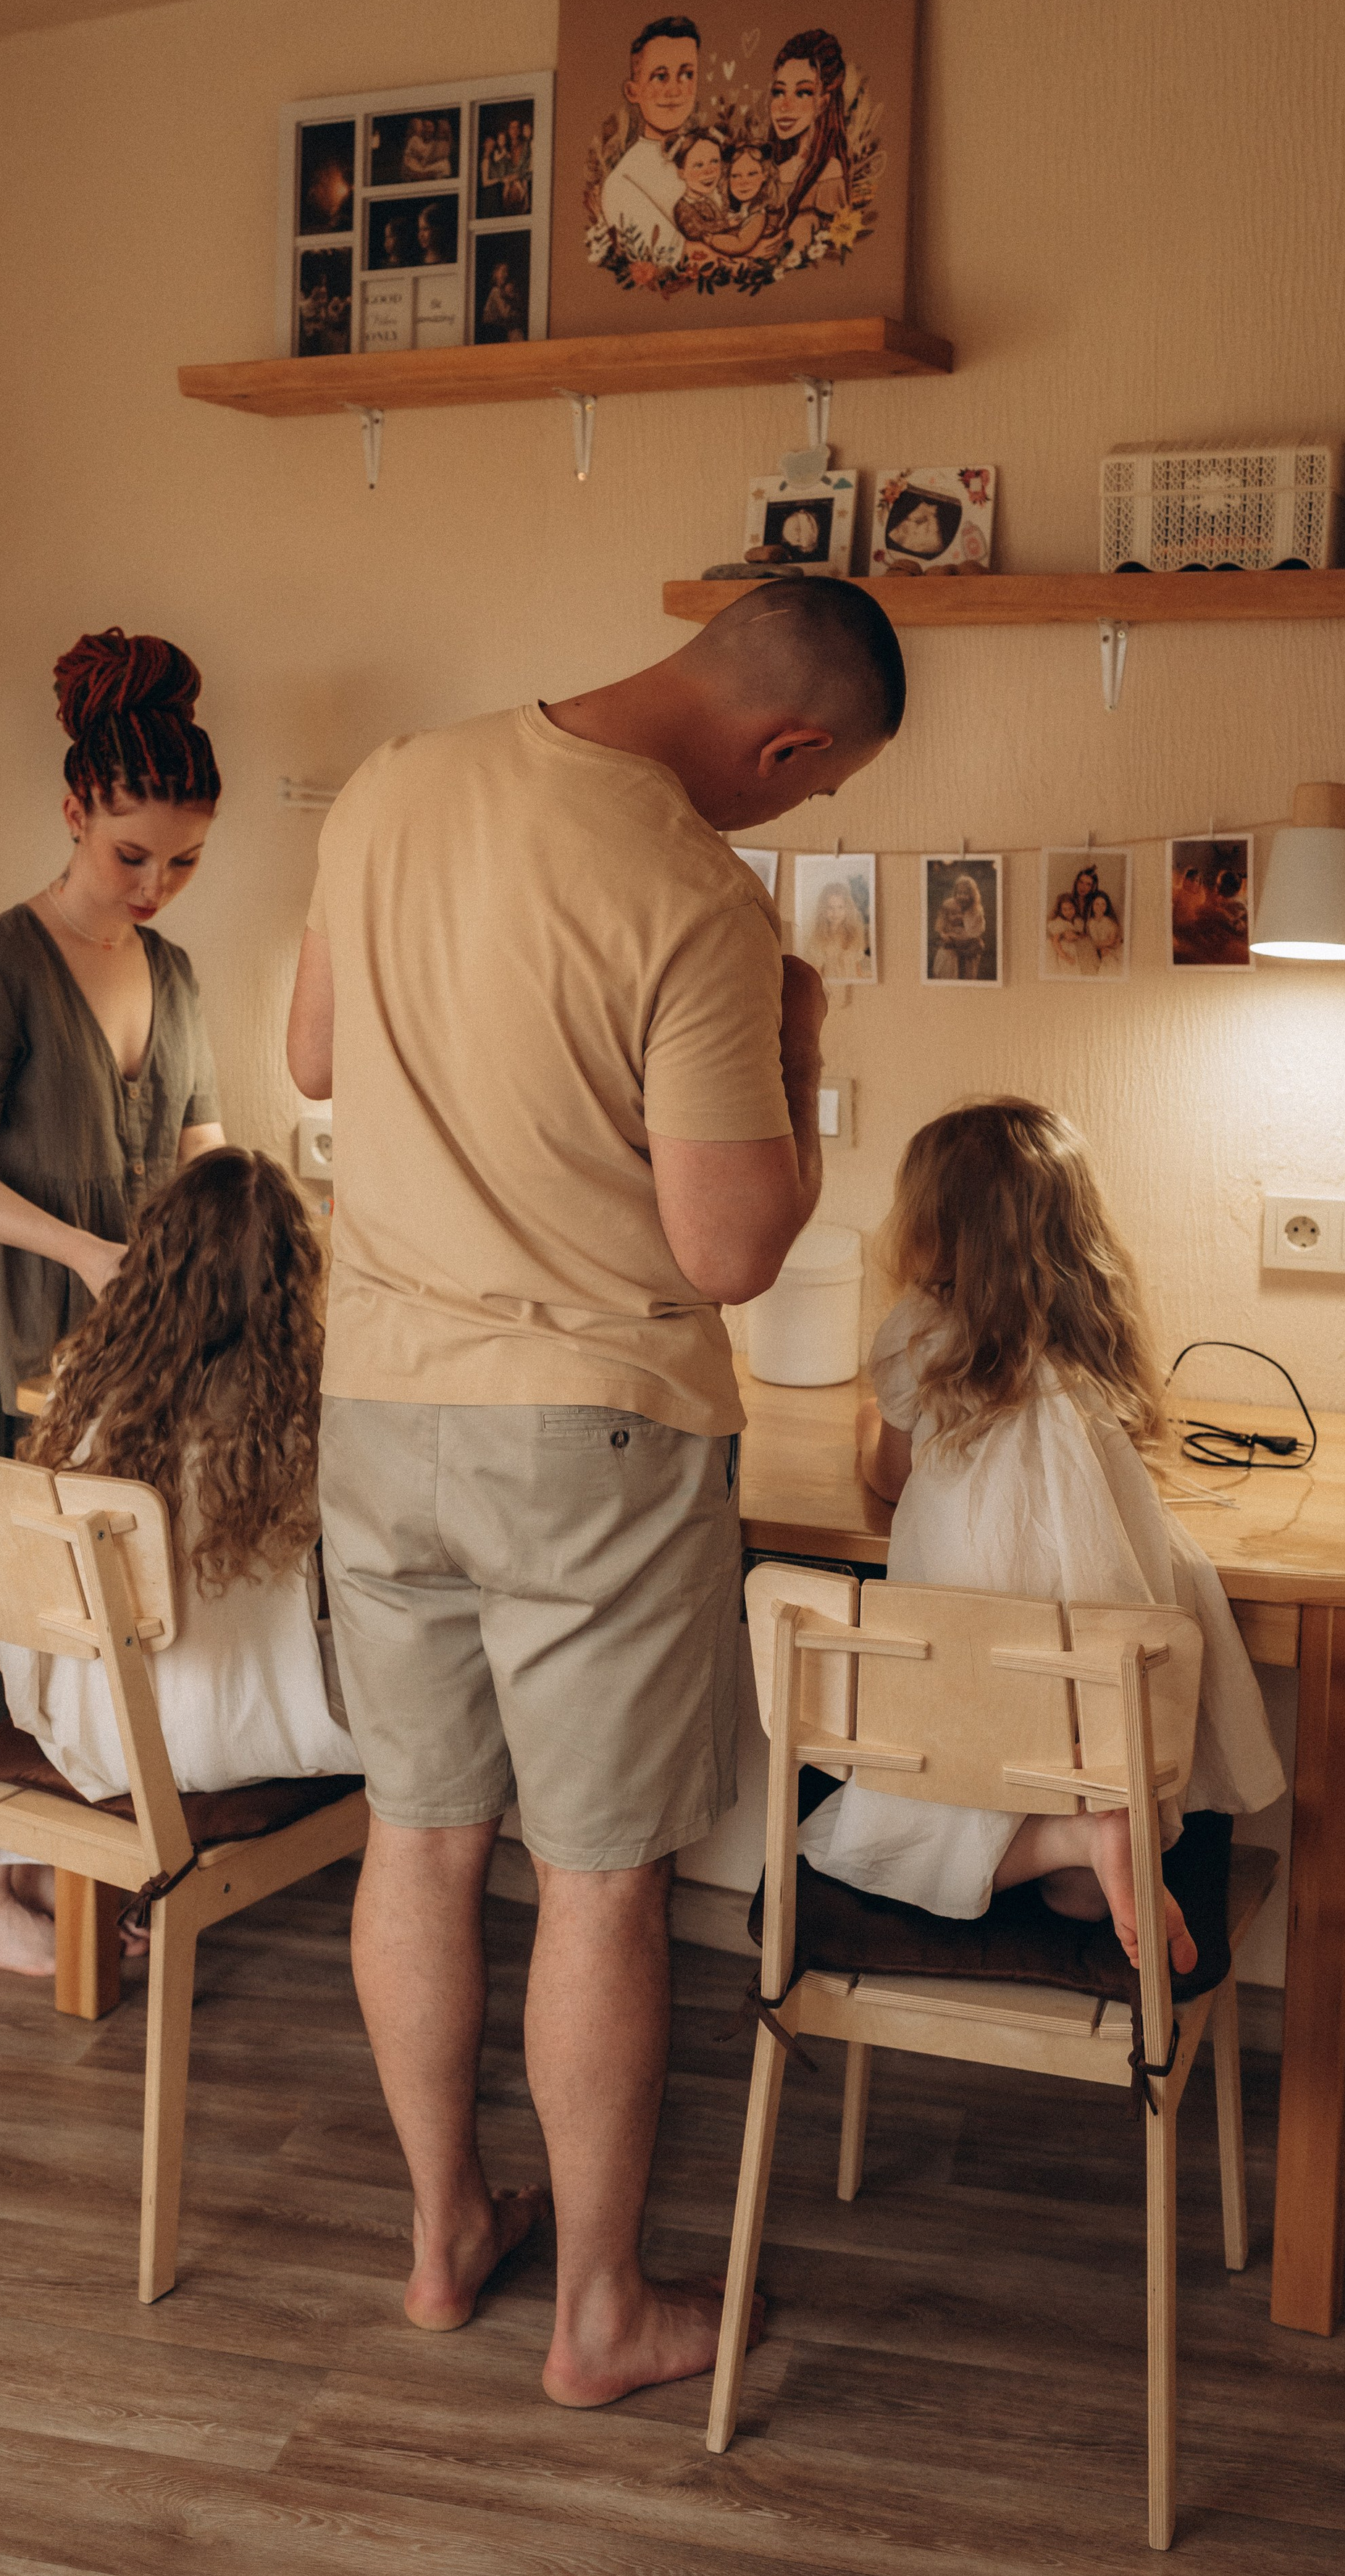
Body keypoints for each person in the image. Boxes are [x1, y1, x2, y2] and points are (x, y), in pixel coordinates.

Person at [286, 577, 907, 2407]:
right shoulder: (694, 894)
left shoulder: (394, 784)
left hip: (380, 1406)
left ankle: (436, 2240)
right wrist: (794, 1053)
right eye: (813, 789)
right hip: (592, 1429)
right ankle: (598, 2312)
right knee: (598, 1880)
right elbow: (727, 1247)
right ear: (781, 741)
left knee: (417, 1829)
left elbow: (317, 1064)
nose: (792, 816)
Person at [0, 626, 226, 1976]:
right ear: (74, 808)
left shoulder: (179, 979)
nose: (156, 885)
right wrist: (84, 1253)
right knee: (5, 1623)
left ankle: (42, 1870)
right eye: (130, 853)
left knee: (89, 1627)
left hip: (116, 1366)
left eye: (186, 859)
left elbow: (200, 1157)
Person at [800, 1100, 1284, 1965]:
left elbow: (889, 1478)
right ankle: (1091, 1842)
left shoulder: (915, 1330)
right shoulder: (1094, 1336)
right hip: (1094, 1695)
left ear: (929, 1225)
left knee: (867, 1839)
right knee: (1075, 1898)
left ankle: (1070, 1843)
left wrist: (871, 1425)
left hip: (973, 1671)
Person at [0, 1149, 359, 1812]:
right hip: (227, 1738)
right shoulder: (302, 1404)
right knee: (426, 1685)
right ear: (290, 1278)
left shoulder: (85, 1379)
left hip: (88, 1733)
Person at [599, 14, 700, 267]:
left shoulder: (710, 154)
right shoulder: (623, 183)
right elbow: (684, 258)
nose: (675, 90)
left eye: (687, 75)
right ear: (634, 91)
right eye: (661, 77)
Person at [767, 28, 857, 253]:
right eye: (779, 92)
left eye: (803, 93)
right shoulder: (774, 170)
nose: (784, 106)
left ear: (823, 103)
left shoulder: (829, 171)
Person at [802, 876, 871, 984]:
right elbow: (816, 974)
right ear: (823, 910)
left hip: (853, 985)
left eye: (840, 907)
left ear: (847, 909)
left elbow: (857, 967)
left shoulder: (853, 935)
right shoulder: (818, 940)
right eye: (830, 908)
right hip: (832, 988)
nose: (836, 913)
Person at [932, 868, 986, 979]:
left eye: (966, 893)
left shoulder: (976, 910)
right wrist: (945, 935)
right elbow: (940, 925)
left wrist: (964, 919)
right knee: (947, 962)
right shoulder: (948, 905)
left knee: (968, 970)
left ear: (972, 895)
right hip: (950, 943)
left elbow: (975, 932)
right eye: (959, 893)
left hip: (967, 945)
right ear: (955, 893)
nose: (962, 896)